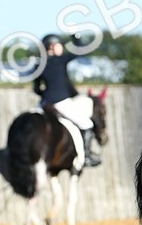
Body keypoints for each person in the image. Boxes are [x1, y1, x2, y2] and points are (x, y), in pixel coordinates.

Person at [33, 34, 101, 167]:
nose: (62, 48)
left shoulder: (38, 65)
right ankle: (86, 156)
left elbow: (36, 89)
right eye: (60, 45)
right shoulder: (59, 60)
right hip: (61, 102)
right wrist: (76, 36)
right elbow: (79, 50)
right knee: (87, 124)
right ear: (52, 46)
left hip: (44, 104)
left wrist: (46, 95)